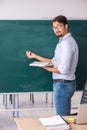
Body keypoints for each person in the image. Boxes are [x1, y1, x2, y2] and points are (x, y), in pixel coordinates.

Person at [26, 15, 79, 116]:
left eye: (59, 26)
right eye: (54, 27)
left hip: (63, 84)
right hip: (63, 84)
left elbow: (63, 69)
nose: (56, 29)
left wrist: (44, 67)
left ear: (66, 26)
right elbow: (53, 61)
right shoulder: (62, 42)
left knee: (62, 119)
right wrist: (35, 56)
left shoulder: (67, 43)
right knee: (64, 118)